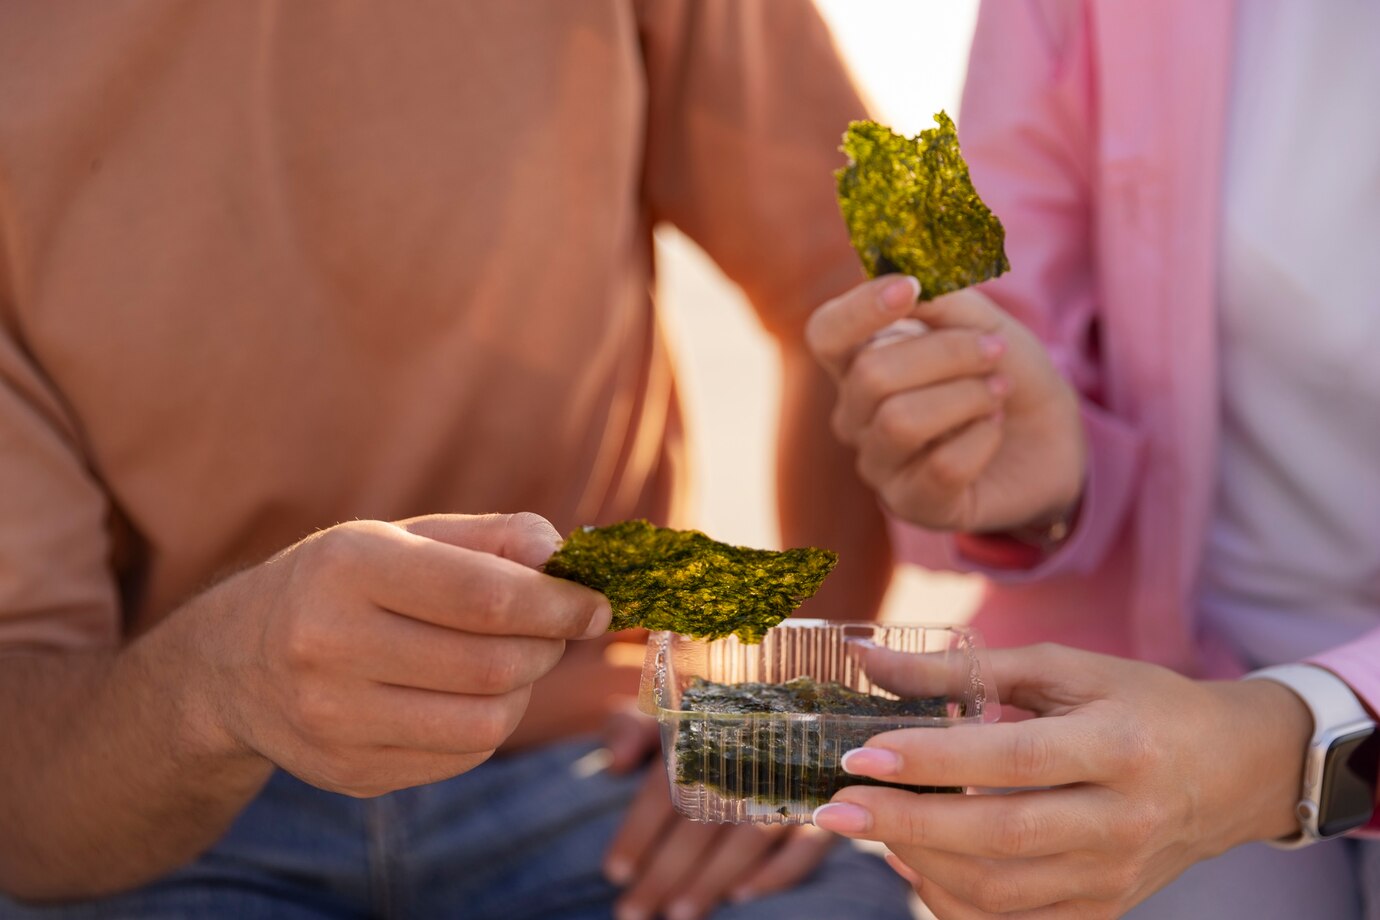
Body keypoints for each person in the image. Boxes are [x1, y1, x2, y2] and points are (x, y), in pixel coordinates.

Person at [0, 3, 911, 918]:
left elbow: (878, 269)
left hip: (609, 760)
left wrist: (796, 722)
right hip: (166, 813)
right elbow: (25, 786)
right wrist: (220, 685)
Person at [804, 0, 1380, 917]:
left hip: (1225, 741)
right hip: (1151, 686)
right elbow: (1015, 317)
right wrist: (1029, 480)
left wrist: (1284, 750)